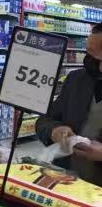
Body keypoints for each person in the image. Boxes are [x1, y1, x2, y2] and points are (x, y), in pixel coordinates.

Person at [36, 22, 102, 185]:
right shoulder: (76, 80)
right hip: (66, 181)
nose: (99, 67)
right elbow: (44, 121)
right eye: (92, 55)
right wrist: (54, 130)